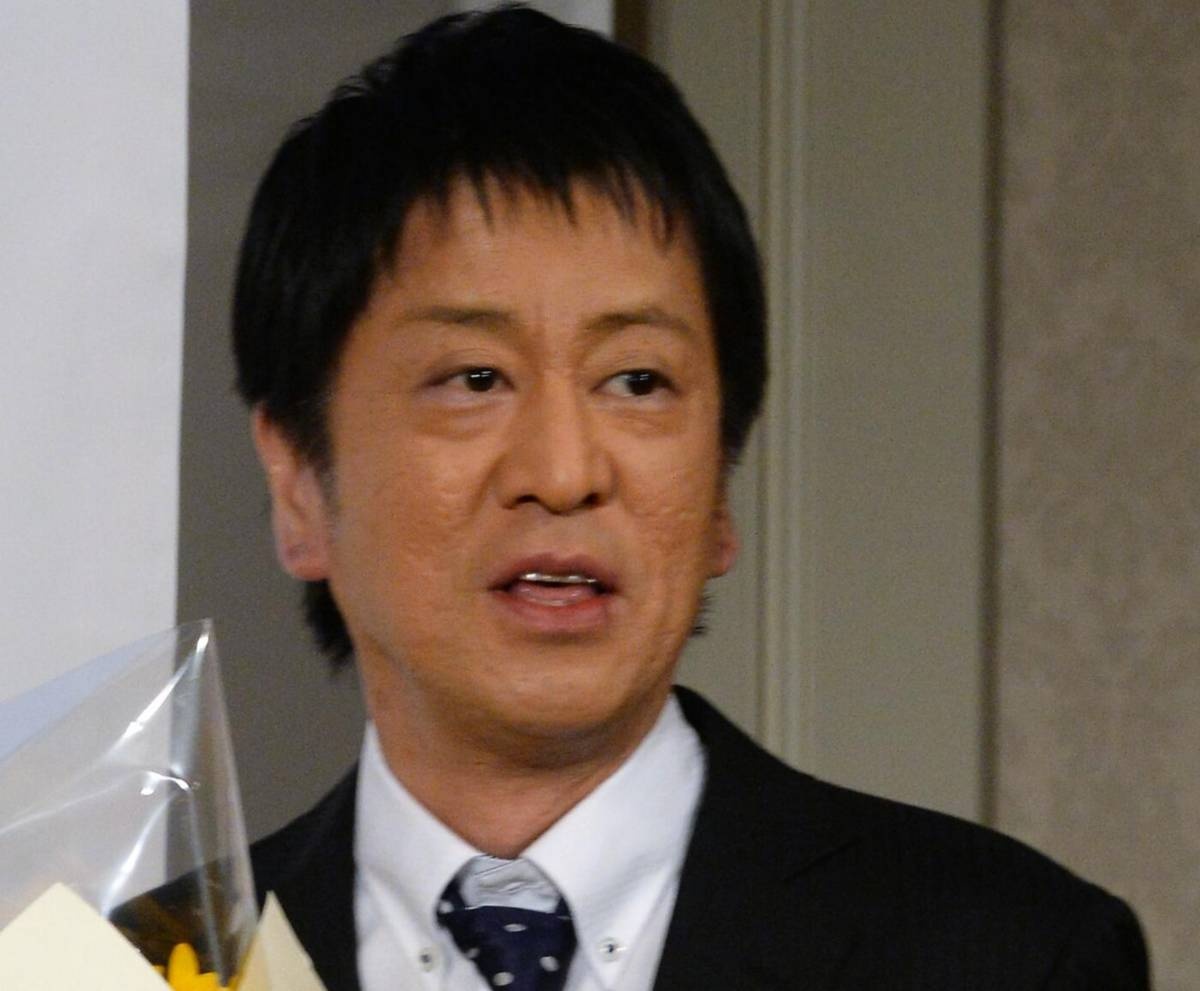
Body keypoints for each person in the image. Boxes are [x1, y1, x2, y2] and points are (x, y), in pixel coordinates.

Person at [236, 6, 1149, 990]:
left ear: (720, 485)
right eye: (475, 378)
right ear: (299, 484)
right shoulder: (166, 963)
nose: (564, 472)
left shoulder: (1009, 955)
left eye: (638, 381)